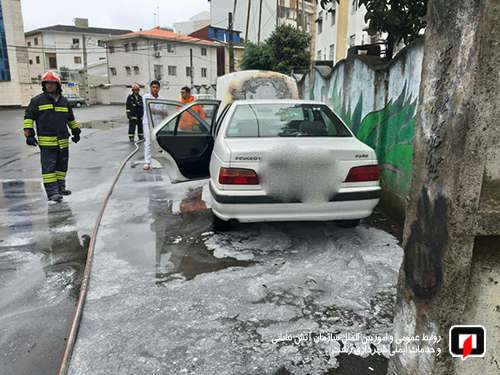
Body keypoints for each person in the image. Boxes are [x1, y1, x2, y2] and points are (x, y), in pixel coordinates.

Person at [23, 70, 81, 202]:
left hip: (63, 141)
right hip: (47, 142)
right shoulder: (37, 101)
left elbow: (70, 119)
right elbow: (28, 118)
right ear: (44, 85)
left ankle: (60, 188)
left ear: (58, 85)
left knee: (62, 167)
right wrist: (29, 135)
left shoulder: (64, 102)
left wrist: (76, 131)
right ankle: (52, 193)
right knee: (49, 169)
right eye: (47, 83)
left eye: (52, 83)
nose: (49, 85)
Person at [142, 80, 163, 171]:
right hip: (148, 123)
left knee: (158, 142)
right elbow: (149, 110)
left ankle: (158, 161)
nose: (155, 89)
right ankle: (147, 162)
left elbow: (164, 112)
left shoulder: (162, 99)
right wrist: (159, 112)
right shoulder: (145, 97)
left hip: (158, 123)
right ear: (150, 88)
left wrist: (161, 113)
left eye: (157, 87)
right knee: (148, 142)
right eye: (153, 87)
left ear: (159, 89)